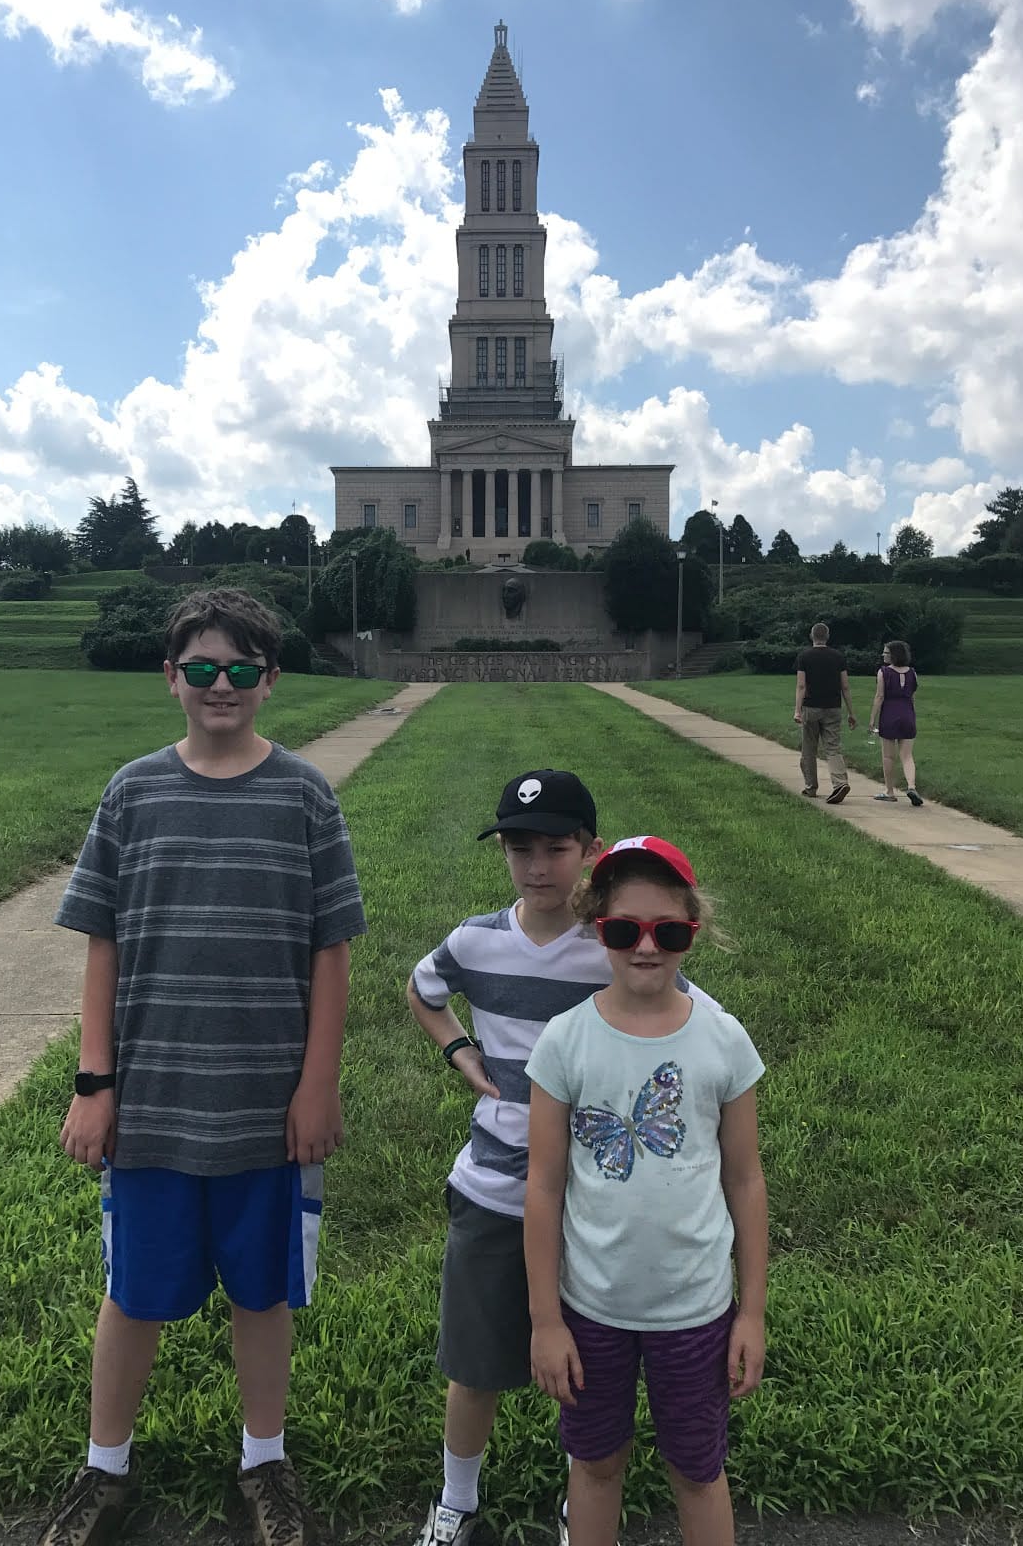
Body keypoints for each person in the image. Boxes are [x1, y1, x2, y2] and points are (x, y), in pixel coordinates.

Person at [39, 588, 365, 1546]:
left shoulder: (304, 793)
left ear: (270, 680)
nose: (220, 686)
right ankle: (105, 1470)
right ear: (170, 677)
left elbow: (331, 949)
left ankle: (265, 1460)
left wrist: (317, 1083)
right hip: (155, 1103)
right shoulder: (133, 792)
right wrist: (95, 1084)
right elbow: (100, 941)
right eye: (201, 669)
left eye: (240, 670)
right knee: (134, 1290)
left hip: (268, 1106)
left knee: (262, 1291)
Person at [408, 777, 724, 1546]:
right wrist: (458, 1048)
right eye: (521, 849)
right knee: (476, 1363)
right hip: (493, 1187)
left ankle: (579, 1497)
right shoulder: (477, 940)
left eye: (556, 849)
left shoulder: (612, 946)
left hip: (589, 1196)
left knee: (583, 1365)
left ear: (589, 850)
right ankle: (456, 1501)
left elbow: (687, 1014)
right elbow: (423, 988)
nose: (537, 866)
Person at [525, 837, 767, 1546]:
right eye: (625, 930)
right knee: (596, 1464)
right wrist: (546, 1322)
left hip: (695, 1311)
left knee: (697, 1472)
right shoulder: (565, 1042)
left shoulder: (722, 1041)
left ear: (694, 928)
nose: (646, 948)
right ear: (597, 924)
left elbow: (746, 1180)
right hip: (591, 1309)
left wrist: (750, 1313)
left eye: (669, 931)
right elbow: (542, 1187)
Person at [794, 622, 857, 805]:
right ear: (827, 637)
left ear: (811, 636)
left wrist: (797, 710)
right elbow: (845, 686)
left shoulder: (804, 656)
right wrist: (851, 712)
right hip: (833, 707)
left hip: (811, 707)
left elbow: (801, 685)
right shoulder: (838, 657)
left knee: (809, 748)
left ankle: (810, 786)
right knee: (833, 747)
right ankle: (840, 782)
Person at [869, 639, 923, 806]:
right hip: (907, 714)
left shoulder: (884, 672)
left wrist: (872, 719)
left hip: (889, 715)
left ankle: (889, 790)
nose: (883, 655)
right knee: (907, 756)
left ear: (893, 655)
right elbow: (912, 696)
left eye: (886, 652)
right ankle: (912, 786)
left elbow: (880, 697)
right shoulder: (912, 673)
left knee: (888, 756)